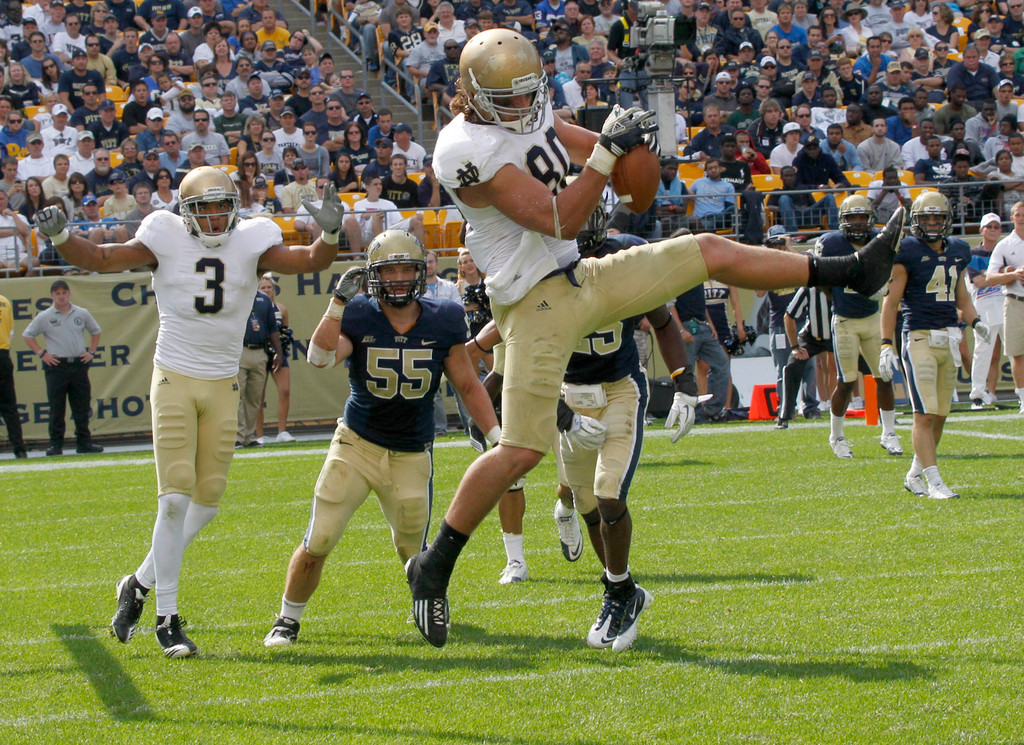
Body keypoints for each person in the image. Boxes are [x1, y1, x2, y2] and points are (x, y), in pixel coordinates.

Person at [405, 26, 905, 650]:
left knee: (706, 249)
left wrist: (636, 148)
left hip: (580, 276)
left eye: (529, 95)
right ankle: (434, 567)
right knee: (520, 451)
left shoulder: (531, 113)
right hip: (533, 303)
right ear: (472, 94)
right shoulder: (461, 147)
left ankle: (849, 270)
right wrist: (609, 154)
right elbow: (562, 214)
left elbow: (631, 188)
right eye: (509, 97)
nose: (522, 108)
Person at [31, 167, 342, 657]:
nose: (215, 218)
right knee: (174, 500)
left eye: (222, 206)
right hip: (174, 376)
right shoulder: (164, 235)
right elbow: (100, 257)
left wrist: (329, 233)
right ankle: (167, 618)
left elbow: (307, 261)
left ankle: (136, 583)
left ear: (235, 208)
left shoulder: (253, 237)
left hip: (222, 382)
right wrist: (61, 235)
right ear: (185, 212)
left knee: (206, 504)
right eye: (204, 208)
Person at [263, 231, 500, 647]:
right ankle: (287, 618)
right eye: (387, 270)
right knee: (320, 537)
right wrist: (336, 304)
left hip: (412, 451)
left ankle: (426, 603)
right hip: (357, 443)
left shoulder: (444, 316)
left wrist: (497, 436)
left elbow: (467, 382)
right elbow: (318, 359)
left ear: (419, 271)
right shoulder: (357, 313)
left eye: (405, 268)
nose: (396, 278)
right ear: (373, 275)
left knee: (417, 554)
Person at [878, 192, 989, 499]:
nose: (930, 224)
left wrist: (976, 321)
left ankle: (915, 474)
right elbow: (890, 303)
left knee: (940, 413)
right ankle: (934, 481)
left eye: (936, 218)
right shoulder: (907, 251)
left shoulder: (958, 250)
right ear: (915, 222)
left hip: (950, 336)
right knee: (924, 414)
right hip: (919, 337)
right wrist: (886, 343)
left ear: (946, 221)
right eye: (924, 218)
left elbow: (961, 294)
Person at [813, 195, 903, 458]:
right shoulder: (831, 243)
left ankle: (889, 433)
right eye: (852, 217)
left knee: (884, 376)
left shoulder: (879, 241)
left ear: (870, 219)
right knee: (846, 381)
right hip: (845, 321)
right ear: (843, 220)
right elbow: (821, 280)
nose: (858, 222)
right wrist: (836, 297)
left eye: (862, 217)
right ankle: (837, 436)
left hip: (873, 319)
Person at [21, 279, 104, 457]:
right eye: (57, 293)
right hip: (57, 365)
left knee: (81, 406)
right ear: (52, 296)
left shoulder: (81, 313)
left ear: (69, 294)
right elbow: (28, 335)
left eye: (63, 292)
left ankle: (84, 442)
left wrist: (91, 351)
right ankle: (55, 444)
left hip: (78, 363)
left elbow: (95, 331)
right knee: (56, 407)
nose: (61, 296)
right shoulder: (45, 316)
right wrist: (42, 353)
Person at [985, 201, 1024, 415]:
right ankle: (1023, 399)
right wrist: (1013, 275)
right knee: (1017, 353)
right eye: (1018, 214)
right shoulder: (1005, 245)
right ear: (1012, 218)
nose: (1021, 218)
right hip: (1016, 301)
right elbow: (990, 277)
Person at [967, 213, 1009, 409]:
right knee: (982, 353)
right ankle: (977, 395)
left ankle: (1010, 393)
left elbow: (1016, 277)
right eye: (989, 226)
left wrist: (991, 275)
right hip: (984, 308)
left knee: (1018, 352)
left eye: (996, 226)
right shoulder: (972, 255)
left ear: (1000, 230)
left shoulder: (1007, 251)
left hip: (1008, 306)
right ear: (981, 230)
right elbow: (979, 281)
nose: (993, 230)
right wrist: (1004, 274)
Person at [236, 288, 282, 448]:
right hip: (240, 349)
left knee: (254, 397)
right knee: (238, 395)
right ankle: (238, 435)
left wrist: (279, 352)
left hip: (260, 350)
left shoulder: (263, 299)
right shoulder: (235, 295)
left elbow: (272, 328)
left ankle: (248, 436)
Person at [255, 274, 293, 444]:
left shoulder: (281, 309)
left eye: (269, 287)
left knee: (284, 390)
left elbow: (284, 332)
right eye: (263, 288)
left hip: (278, 354)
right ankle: (259, 434)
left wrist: (280, 352)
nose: (267, 290)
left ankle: (282, 431)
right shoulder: (254, 307)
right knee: (258, 395)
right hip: (261, 353)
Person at [1, 291, 27, 458]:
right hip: (2, 355)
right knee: (9, 406)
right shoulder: (4, 301)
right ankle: (19, 448)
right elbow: (10, 331)